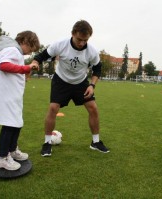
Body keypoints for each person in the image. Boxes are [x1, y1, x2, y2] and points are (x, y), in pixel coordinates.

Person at [31, 20, 109, 157]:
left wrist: (92, 85)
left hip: (80, 82)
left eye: (85, 40)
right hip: (61, 80)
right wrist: (35, 62)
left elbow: (97, 68)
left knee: (93, 108)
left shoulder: (91, 51)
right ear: (73, 33)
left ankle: (95, 142)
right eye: (79, 39)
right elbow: (41, 56)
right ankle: (47, 143)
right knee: (53, 108)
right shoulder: (60, 44)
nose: (82, 43)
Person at [0, 31, 40, 170]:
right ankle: (2, 158)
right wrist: (26, 68)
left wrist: (25, 72)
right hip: (5, 97)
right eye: (30, 49)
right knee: (10, 125)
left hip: (11, 97)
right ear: (25, 41)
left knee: (16, 123)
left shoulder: (14, 51)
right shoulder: (12, 50)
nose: (29, 53)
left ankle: (11, 151)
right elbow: (4, 66)